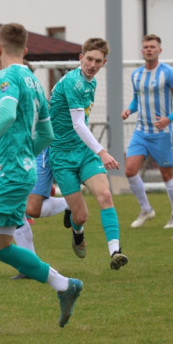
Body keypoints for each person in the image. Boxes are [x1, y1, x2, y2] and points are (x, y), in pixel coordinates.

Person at [0, 23, 83, 336]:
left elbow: (6, 115)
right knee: (1, 247)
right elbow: (46, 134)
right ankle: (65, 285)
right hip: (23, 170)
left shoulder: (6, 77)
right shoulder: (34, 81)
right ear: (26, 50)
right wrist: (21, 154)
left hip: (11, 175)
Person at [0, 54, 67, 265]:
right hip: (16, 157)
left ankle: (70, 203)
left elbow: (40, 130)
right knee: (22, 212)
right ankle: (34, 265)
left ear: (0, 66)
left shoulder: (17, 87)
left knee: (27, 209)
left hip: (36, 152)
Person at [48, 37, 128, 270]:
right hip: (62, 156)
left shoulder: (90, 81)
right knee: (81, 216)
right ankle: (77, 231)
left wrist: (95, 152)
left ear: (104, 63)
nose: (92, 64)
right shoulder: (74, 82)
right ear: (80, 58)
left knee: (105, 196)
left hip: (84, 152)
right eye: (89, 59)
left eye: (98, 61)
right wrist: (102, 152)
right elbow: (78, 124)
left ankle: (115, 251)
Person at [120, 34, 173, 229]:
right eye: (146, 47)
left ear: (160, 50)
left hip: (163, 133)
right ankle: (146, 209)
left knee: (167, 175)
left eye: (152, 46)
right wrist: (129, 110)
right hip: (141, 131)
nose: (149, 49)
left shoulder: (169, 73)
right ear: (142, 50)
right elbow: (137, 99)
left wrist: (168, 119)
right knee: (130, 170)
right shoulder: (136, 75)